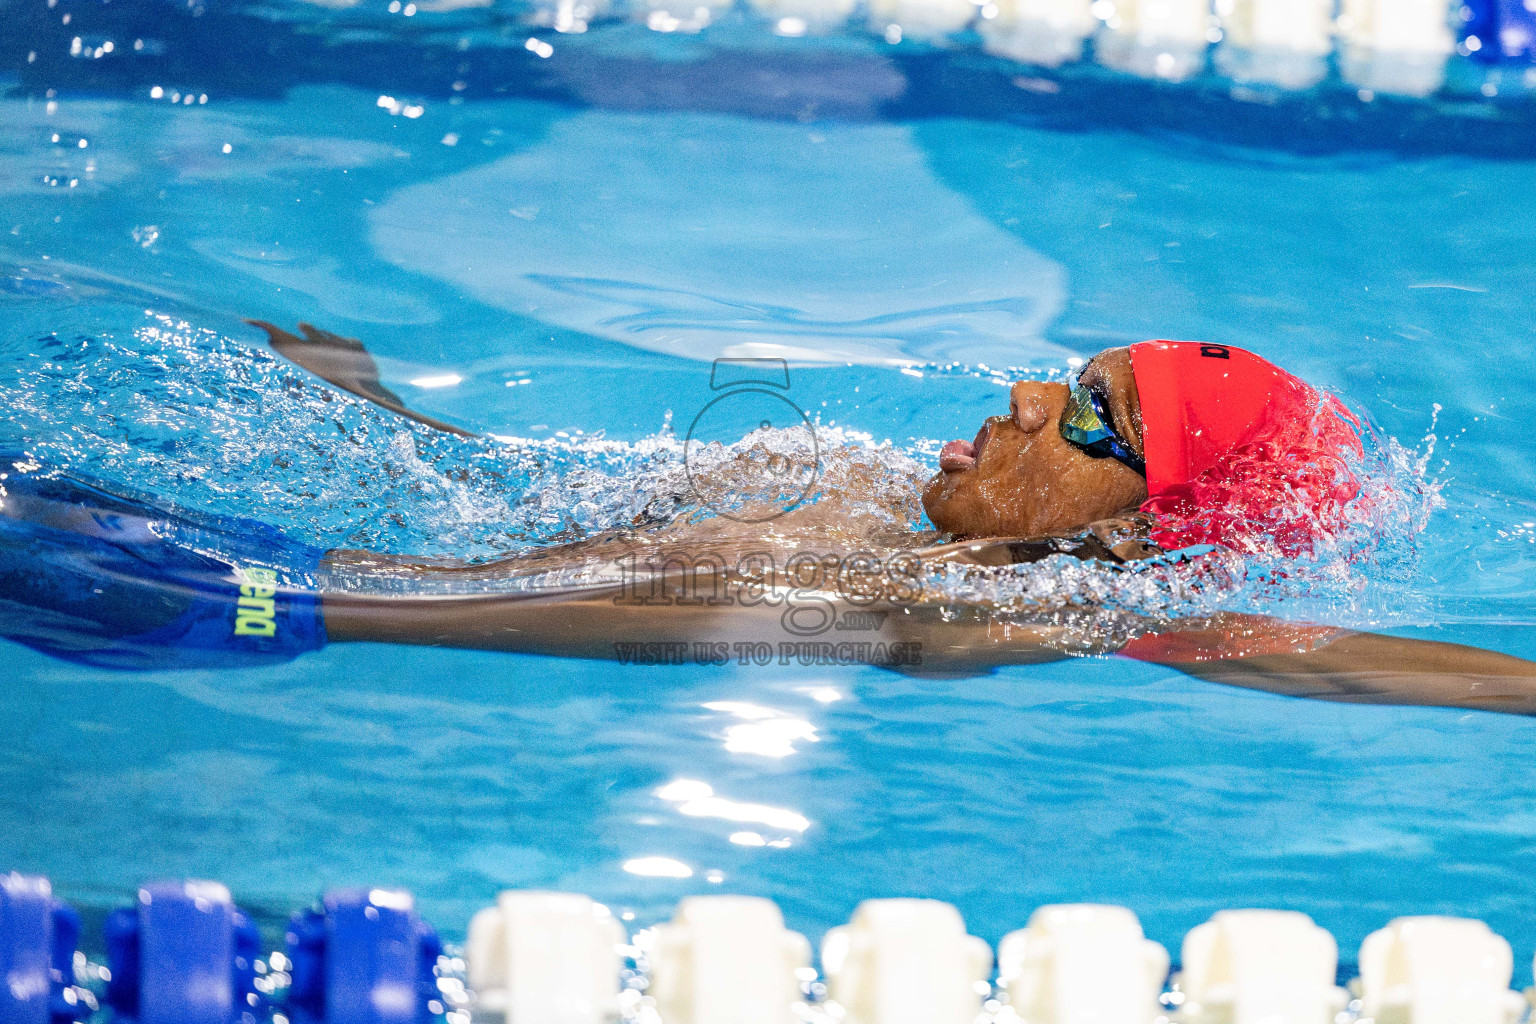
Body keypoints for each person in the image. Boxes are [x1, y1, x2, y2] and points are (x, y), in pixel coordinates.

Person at [2, 320, 1535, 718]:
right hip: (280, 548)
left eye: (1087, 421)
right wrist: (371, 407)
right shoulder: (872, 482)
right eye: (1071, 376)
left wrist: (300, 599)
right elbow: (511, 500)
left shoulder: (1015, 603)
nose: (1016, 394)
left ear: (1139, 532)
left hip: (243, 594)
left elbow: (1320, 659)